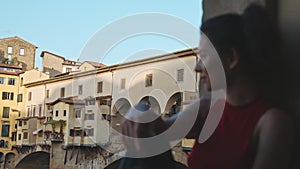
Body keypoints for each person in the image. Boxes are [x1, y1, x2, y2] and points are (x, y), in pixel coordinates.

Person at [122, 3, 294, 169]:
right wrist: (141, 109)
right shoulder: (206, 109)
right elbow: (159, 130)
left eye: (203, 56)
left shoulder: (272, 123)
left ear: (231, 59)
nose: (197, 68)